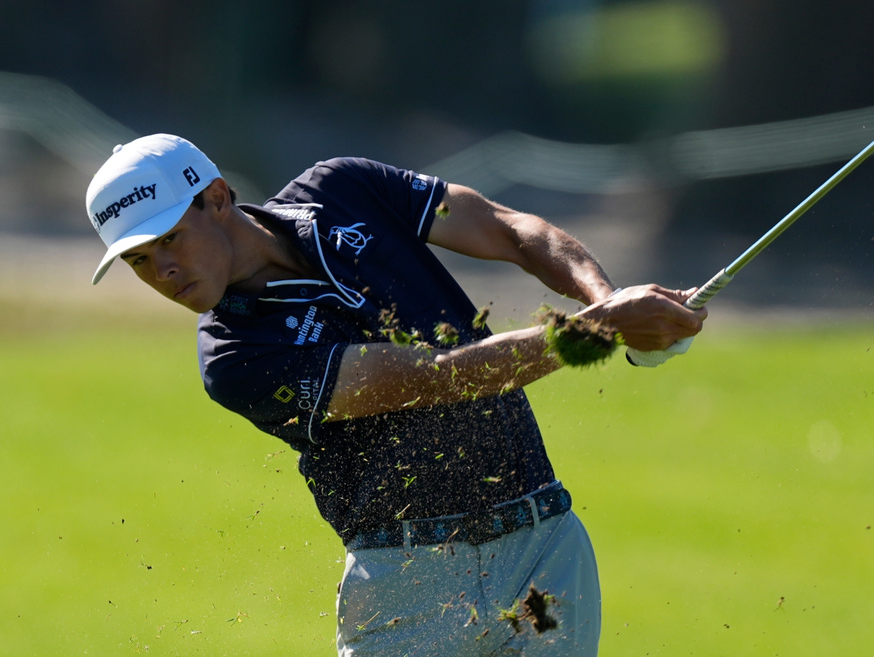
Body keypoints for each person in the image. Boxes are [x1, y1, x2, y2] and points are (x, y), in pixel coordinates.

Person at [86, 133, 707, 655]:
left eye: (168, 239)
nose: (161, 272)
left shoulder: (341, 188)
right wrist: (602, 328)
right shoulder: (233, 359)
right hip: (410, 591)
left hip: (544, 549)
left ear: (218, 197)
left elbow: (505, 227)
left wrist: (607, 302)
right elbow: (437, 379)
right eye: (139, 261)